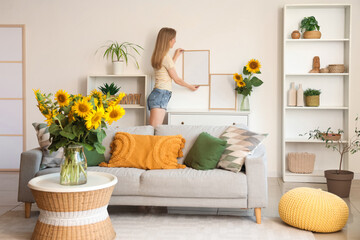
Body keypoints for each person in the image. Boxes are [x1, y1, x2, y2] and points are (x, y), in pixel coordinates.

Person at [148, 27, 199, 127]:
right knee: (154, 130)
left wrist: (176, 56)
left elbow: (167, 70)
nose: (175, 41)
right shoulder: (165, 58)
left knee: (154, 130)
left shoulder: (158, 56)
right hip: (161, 95)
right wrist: (190, 86)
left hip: (158, 94)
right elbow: (177, 80)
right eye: (174, 39)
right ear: (168, 40)